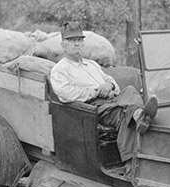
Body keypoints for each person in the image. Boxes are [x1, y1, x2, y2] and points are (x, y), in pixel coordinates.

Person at [49, 21, 157, 165]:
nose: (77, 44)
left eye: (80, 40)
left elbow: (113, 83)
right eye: (72, 40)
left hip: (112, 100)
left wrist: (108, 85)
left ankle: (139, 115)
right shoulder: (60, 70)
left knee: (130, 90)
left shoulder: (92, 64)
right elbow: (66, 94)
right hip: (92, 109)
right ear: (63, 45)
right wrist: (95, 92)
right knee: (125, 114)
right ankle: (131, 162)